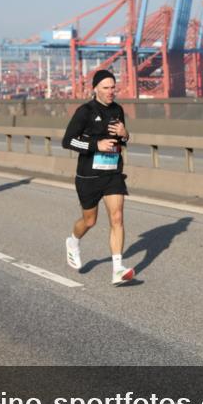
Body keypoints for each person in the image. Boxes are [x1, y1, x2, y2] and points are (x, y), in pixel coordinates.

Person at [61, 69, 135, 285]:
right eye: (106, 88)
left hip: (113, 174)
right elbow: (67, 141)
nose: (111, 91)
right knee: (89, 220)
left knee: (117, 217)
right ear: (95, 89)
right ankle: (73, 241)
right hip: (89, 176)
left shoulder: (118, 110)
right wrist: (96, 144)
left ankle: (118, 269)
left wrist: (125, 134)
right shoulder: (84, 112)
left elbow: (123, 139)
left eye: (113, 87)